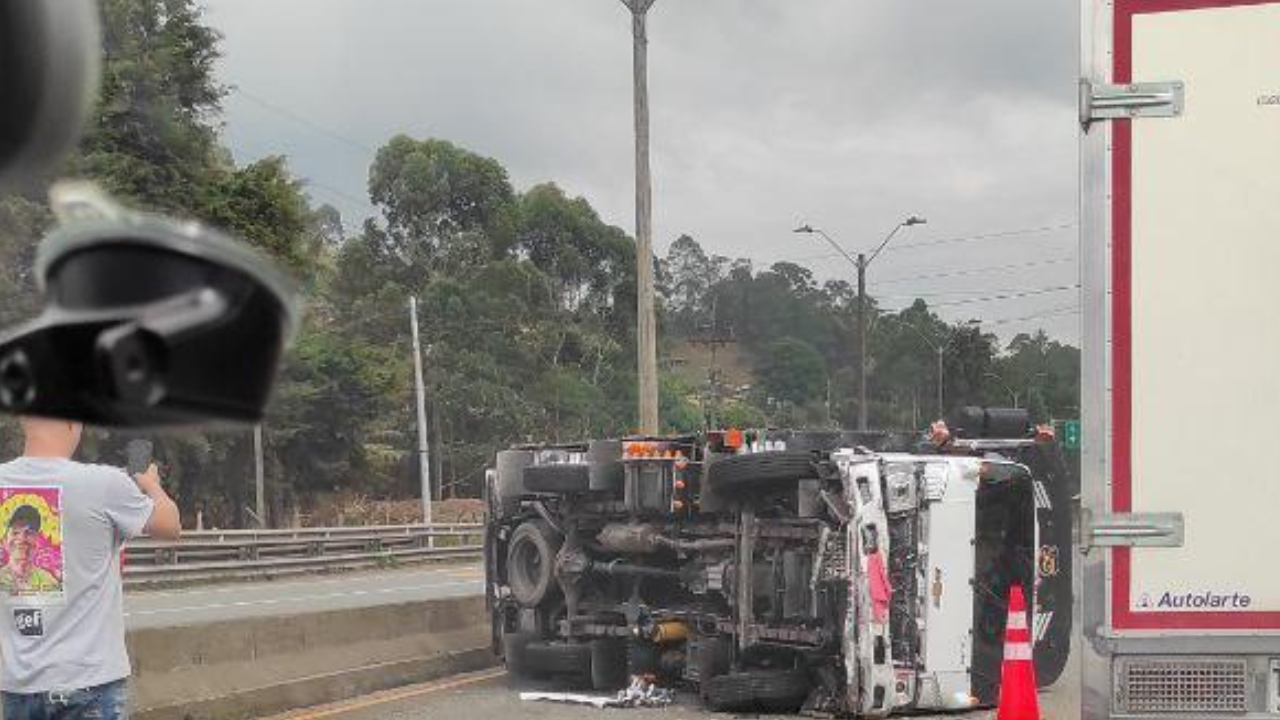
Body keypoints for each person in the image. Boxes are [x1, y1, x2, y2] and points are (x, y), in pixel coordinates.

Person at [0, 417, 180, 720]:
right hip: (90, 683)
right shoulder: (104, 483)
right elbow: (170, 526)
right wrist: (153, 487)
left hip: (19, 688)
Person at [0, 505, 60, 594]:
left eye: (28, 533)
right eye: (15, 533)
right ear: (4, 541)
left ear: (37, 542)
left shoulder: (50, 581)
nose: (22, 539)